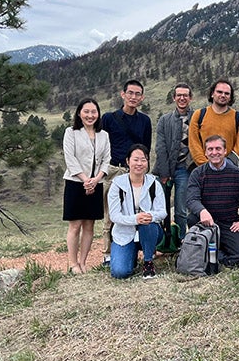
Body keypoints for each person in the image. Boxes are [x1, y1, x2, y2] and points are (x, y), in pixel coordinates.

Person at [187, 135, 239, 266]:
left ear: (225, 151)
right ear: (205, 152)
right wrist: (202, 211)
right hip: (206, 224)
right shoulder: (197, 173)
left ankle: (218, 253)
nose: (214, 152)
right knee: (192, 219)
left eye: (218, 149)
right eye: (210, 149)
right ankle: (214, 251)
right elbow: (192, 199)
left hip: (229, 224)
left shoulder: (238, 173)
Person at [100, 80, 153, 260]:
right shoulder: (108, 118)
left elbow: (146, 149)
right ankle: (108, 254)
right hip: (114, 170)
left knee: (135, 211)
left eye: (137, 94)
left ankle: (132, 250)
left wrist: (147, 173)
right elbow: (100, 145)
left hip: (136, 171)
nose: (133, 97)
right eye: (130, 93)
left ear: (142, 98)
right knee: (111, 213)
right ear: (123, 94)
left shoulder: (144, 121)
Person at [62, 98, 110, 274]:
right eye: (86, 112)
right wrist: (85, 180)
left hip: (96, 184)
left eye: (93, 112)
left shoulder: (103, 135)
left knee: (89, 225)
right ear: (79, 113)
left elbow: (106, 159)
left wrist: (96, 179)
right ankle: (73, 263)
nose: (90, 115)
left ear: (98, 114)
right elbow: (70, 159)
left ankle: (83, 262)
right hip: (75, 183)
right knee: (75, 225)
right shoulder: (71, 132)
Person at [106, 144, 166, 279]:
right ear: (128, 161)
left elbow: (162, 211)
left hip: (150, 232)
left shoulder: (154, 183)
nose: (139, 163)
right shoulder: (117, 184)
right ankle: (131, 255)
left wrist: (150, 216)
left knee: (148, 224)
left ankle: (148, 262)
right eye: (135, 159)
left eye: (143, 160)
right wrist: (135, 219)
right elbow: (114, 216)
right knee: (120, 272)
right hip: (125, 233)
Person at [152, 83, 193, 244]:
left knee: (181, 209)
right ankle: (162, 240)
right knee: (160, 208)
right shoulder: (164, 120)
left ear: (190, 98)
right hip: (165, 169)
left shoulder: (197, 117)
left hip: (186, 169)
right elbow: (160, 148)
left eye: (185, 95)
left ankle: (182, 241)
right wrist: (164, 173)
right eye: (179, 95)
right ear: (174, 97)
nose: (182, 98)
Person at [188, 78, 239, 166]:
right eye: (219, 92)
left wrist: (225, 166)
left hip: (229, 170)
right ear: (212, 94)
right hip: (203, 169)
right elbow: (194, 143)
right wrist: (205, 165)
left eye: (227, 93)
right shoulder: (199, 115)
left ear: (230, 97)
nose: (223, 95)